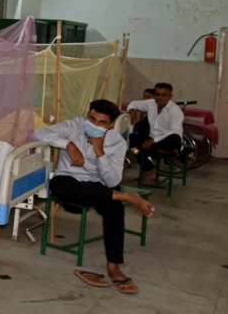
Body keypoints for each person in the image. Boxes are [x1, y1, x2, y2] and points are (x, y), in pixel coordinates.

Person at [34, 99, 155, 294]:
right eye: (92, 119)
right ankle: (126, 196)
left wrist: (100, 154)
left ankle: (113, 268)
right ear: (87, 115)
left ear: (111, 125)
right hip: (70, 184)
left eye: (102, 123)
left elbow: (111, 180)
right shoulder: (75, 126)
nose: (94, 125)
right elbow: (39, 132)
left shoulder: (116, 142)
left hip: (98, 188)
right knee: (58, 184)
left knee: (114, 208)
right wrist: (70, 145)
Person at [127, 83, 183, 183]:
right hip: (152, 139)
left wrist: (154, 140)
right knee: (130, 141)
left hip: (166, 140)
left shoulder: (175, 110)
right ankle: (149, 167)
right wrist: (132, 110)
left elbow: (175, 131)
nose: (160, 97)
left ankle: (166, 150)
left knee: (174, 138)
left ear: (170, 96)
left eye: (163, 95)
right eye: (157, 94)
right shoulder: (151, 103)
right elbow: (134, 103)